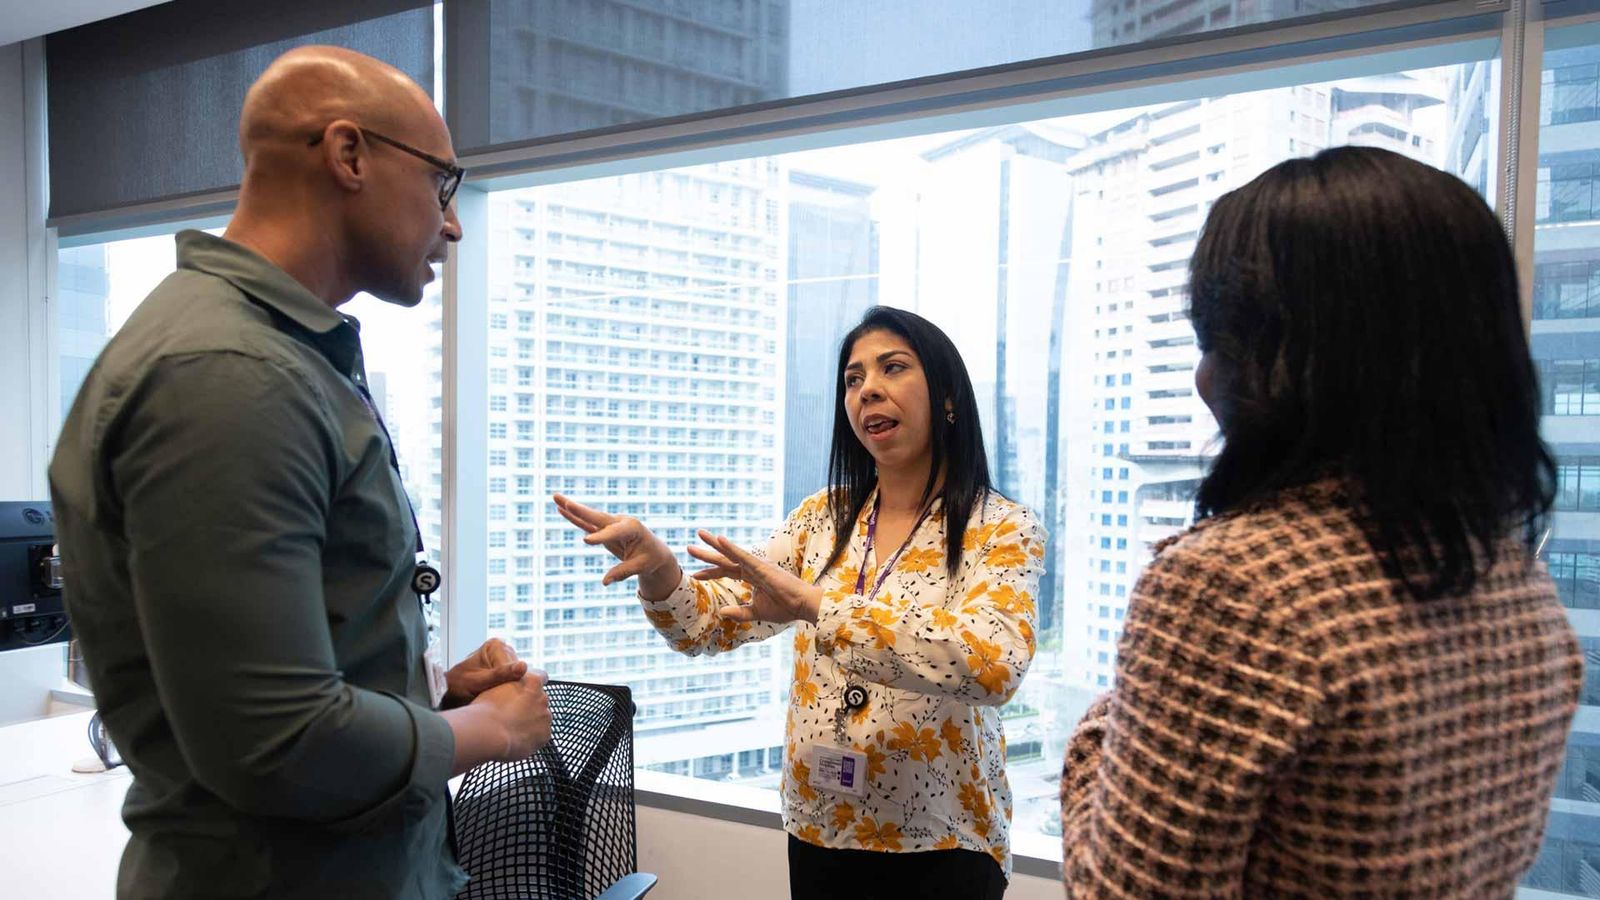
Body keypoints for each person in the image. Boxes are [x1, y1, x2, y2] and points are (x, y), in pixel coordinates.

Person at [49, 46, 551, 899]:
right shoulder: (226, 374)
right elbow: (275, 741)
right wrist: (487, 732)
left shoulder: (279, 358)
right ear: (349, 154)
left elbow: (281, 674)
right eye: (441, 185)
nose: (452, 223)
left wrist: (422, 696)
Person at [1058, 146, 1584, 898]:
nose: (1204, 378)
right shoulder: (1518, 585)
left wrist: (1099, 734)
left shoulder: (1232, 588)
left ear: (1280, 361)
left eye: (1216, 341)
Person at [555, 306, 1046, 898]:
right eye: (854, 379)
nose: (869, 390)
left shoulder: (1000, 527)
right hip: (821, 829)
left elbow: (993, 664)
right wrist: (663, 574)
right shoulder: (822, 518)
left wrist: (820, 606)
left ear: (947, 398)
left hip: (941, 843)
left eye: (892, 368)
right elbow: (709, 625)